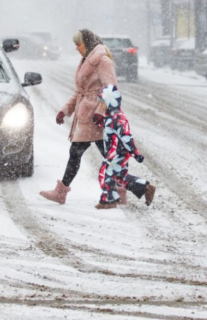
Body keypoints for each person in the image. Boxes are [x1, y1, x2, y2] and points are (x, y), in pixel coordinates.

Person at [39, 29, 156, 205]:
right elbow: (80, 92)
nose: (77, 49)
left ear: (87, 43)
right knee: (104, 159)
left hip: (96, 119)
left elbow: (112, 89)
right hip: (88, 117)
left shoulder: (102, 61)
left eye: (78, 45)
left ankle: (61, 193)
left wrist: (101, 113)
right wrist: (65, 110)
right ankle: (141, 187)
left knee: (76, 154)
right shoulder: (86, 60)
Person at [92, 84, 154, 209]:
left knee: (105, 173)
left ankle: (109, 200)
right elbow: (112, 130)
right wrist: (103, 122)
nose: (101, 105)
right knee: (119, 176)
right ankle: (145, 187)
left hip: (117, 153)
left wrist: (135, 154)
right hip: (116, 152)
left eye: (103, 102)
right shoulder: (112, 116)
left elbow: (126, 137)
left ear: (110, 101)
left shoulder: (117, 118)